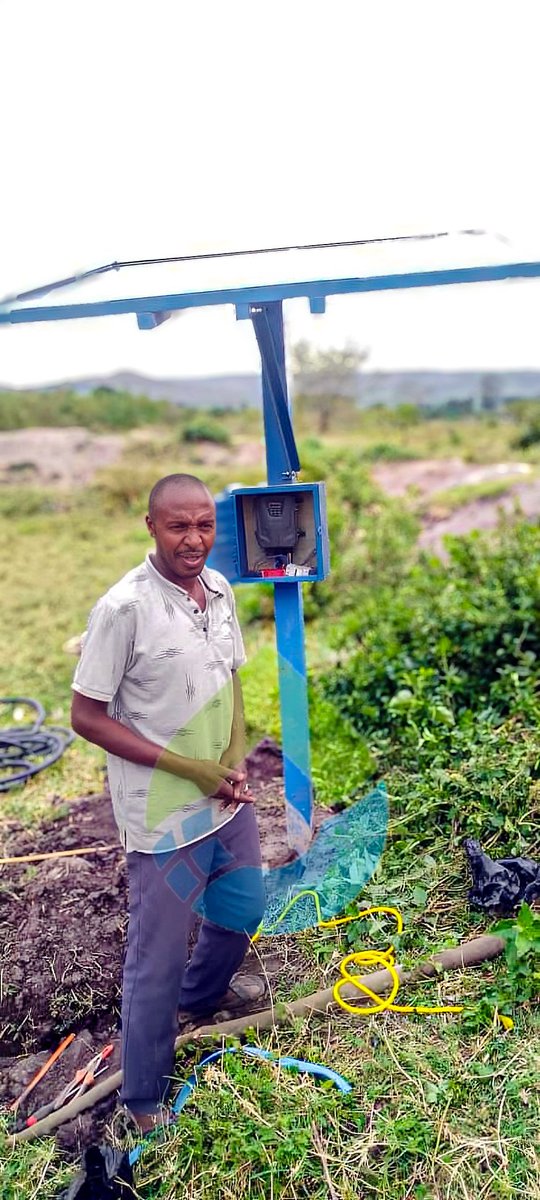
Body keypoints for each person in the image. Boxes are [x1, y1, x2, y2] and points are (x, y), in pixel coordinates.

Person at [71, 473, 266, 1131]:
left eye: (205, 525)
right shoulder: (123, 610)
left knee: (244, 906)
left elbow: (231, 678)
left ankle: (203, 995)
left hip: (223, 794)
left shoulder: (218, 589)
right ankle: (143, 1096)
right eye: (179, 525)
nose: (194, 539)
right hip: (162, 809)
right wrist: (189, 768)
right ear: (150, 525)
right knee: (154, 955)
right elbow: (86, 716)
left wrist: (234, 755)